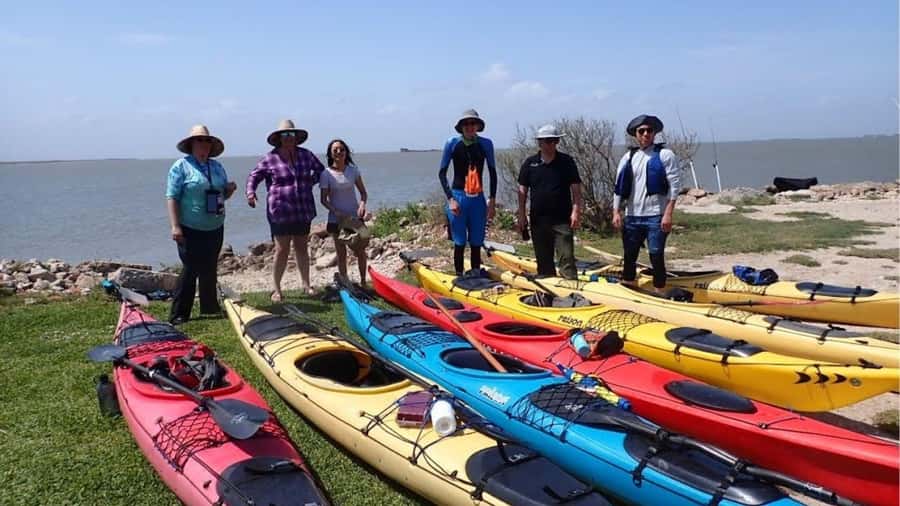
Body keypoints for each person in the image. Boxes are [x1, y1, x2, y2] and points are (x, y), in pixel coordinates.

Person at [165, 125, 237, 324]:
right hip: (189, 227)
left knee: (210, 267)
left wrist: (229, 190)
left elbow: (222, 194)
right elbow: (172, 197)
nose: (204, 144)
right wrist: (175, 226)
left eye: (207, 141)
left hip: (215, 225)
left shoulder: (216, 167)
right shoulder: (181, 166)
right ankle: (179, 314)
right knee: (190, 269)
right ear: (191, 144)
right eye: (199, 140)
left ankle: (210, 306)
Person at [246, 119, 325, 301]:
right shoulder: (270, 158)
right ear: (279, 138)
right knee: (281, 249)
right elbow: (254, 176)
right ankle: (277, 289)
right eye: (285, 135)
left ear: (296, 137)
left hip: (302, 209)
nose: (289, 138)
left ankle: (306, 285)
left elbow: (321, 171)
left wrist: (309, 183)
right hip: (279, 210)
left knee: (301, 247)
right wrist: (251, 193)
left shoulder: (307, 155)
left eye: (291, 135)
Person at [612, 114, 681, 293]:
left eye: (649, 131)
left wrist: (668, 213)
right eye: (641, 131)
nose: (645, 134)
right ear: (636, 134)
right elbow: (618, 187)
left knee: (656, 254)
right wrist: (616, 212)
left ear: (654, 133)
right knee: (629, 255)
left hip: (656, 216)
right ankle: (629, 286)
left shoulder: (665, 155)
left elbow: (674, 185)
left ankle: (660, 289)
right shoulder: (628, 157)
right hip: (633, 216)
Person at [516, 125, 583, 279]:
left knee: (566, 257)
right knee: (544, 261)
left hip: (562, 220)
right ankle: (548, 292)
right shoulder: (530, 163)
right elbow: (522, 190)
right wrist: (521, 214)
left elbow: (576, 189)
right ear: (540, 143)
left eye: (555, 140)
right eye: (548, 141)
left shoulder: (567, 162)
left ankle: (572, 291)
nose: (552, 144)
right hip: (538, 221)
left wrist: (576, 211)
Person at [438, 109, 497, 275]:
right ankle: (459, 274)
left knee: (477, 241)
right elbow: (442, 173)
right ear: (461, 127)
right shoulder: (452, 143)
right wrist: (451, 199)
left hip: (478, 199)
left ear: (478, 126)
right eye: (466, 124)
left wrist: (492, 201)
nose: (470, 127)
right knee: (460, 241)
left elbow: (492, 173)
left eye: (473, 123)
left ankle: (476, 274)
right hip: (458, 197)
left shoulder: (486, 144)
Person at [319, 139, 370, 285]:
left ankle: (363, 281)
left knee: (361, 250)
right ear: (330, 153)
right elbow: (323, 199)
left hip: (355, 219)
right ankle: (345, 282)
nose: (339, 152)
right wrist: (336, 211)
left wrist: (362, 205)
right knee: (341, 253)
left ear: (346, 152)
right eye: (335, 150)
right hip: (336, 220)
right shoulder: (326, 174)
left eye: (341, 149)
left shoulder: (353, 170)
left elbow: (363, 193)